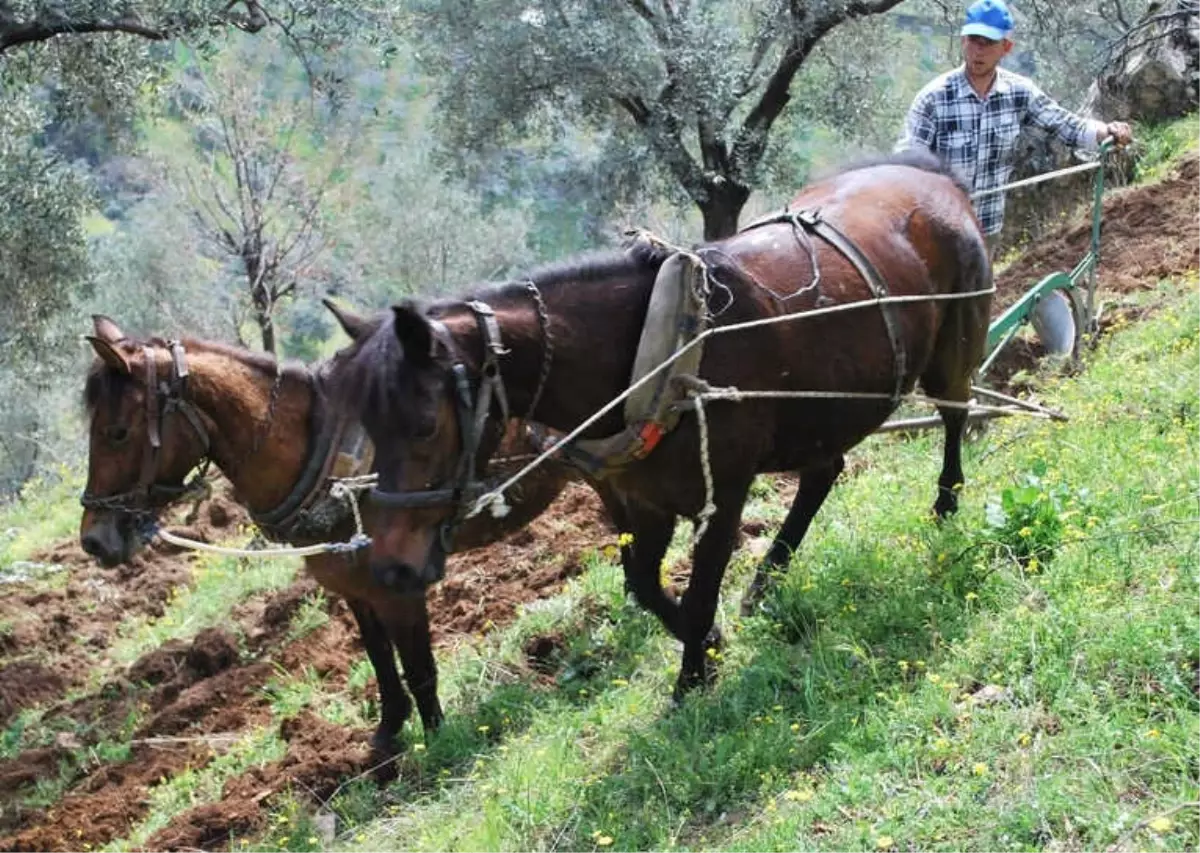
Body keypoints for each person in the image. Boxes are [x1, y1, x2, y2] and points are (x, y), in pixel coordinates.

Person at [897, 0, 1134, 253]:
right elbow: (906, 162)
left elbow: (1065, 125)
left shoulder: (1019, 93)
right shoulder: (933, 98)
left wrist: (1106, 132)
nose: (978, 50)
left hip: (986, 230)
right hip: (938, 231)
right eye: (973, 39)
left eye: (988, 42)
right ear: (963, 40)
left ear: (1006, 48)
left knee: (983, 293)